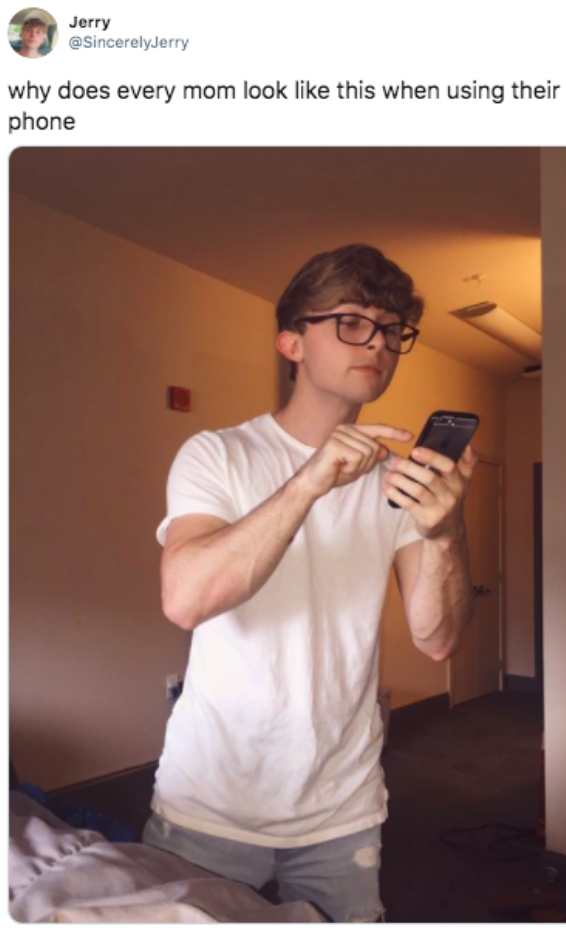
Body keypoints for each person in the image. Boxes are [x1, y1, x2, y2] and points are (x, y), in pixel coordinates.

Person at [143, 244, 477, 922]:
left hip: (342, 809)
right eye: (352, 321)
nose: (377, 342)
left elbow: (438, 640)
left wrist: (445, 531)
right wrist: (309, 482)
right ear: (291, 342)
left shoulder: (395, 482)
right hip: (209, 801)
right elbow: (185, 599)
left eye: (391, 329)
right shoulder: (216, 453)